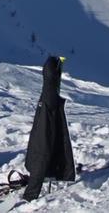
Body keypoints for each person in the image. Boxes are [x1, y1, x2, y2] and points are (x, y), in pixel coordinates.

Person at [21, 56, 76, 200]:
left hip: (49, 102)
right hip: (49, 106)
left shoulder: (47, 96)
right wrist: (31, 194)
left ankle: (49, 171)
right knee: (43, 147)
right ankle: (43, 178)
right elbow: (42, 150)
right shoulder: (49, 100)